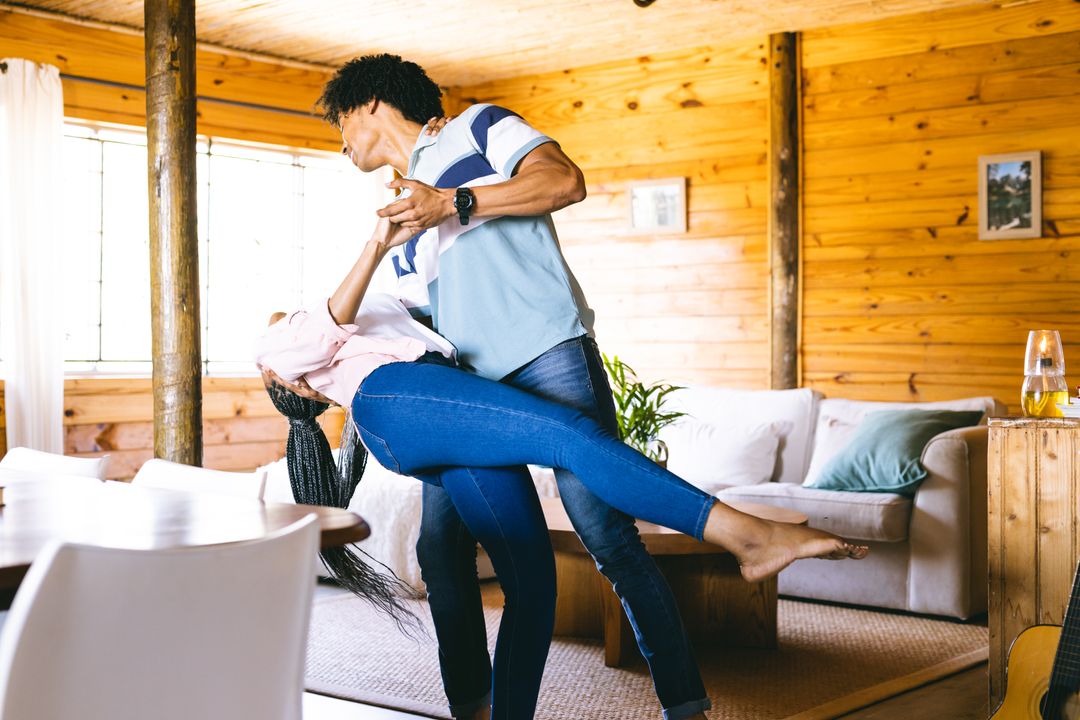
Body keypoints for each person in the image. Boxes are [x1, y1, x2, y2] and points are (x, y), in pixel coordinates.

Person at [257, 219, 869, 720]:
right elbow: (328, 323)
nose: (279, 317)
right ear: (287, 384)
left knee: (533, 582)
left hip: (437, 409)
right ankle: (745, 533)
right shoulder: (280, 347)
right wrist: (374, 240)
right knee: (569, 434)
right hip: (396, 399)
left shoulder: (377, 309)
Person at [314, 52, 721, 720]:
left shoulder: (477, 128)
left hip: (547, 355)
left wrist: (453, 200)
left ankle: (686, 705)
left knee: (609, 539)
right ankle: (474, 707)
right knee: (440, 550)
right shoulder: (402, 219)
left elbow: (564, 181)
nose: (340, 142)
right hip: (475, 394)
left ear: (368, 104)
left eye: (341, 123)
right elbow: (420, 325)